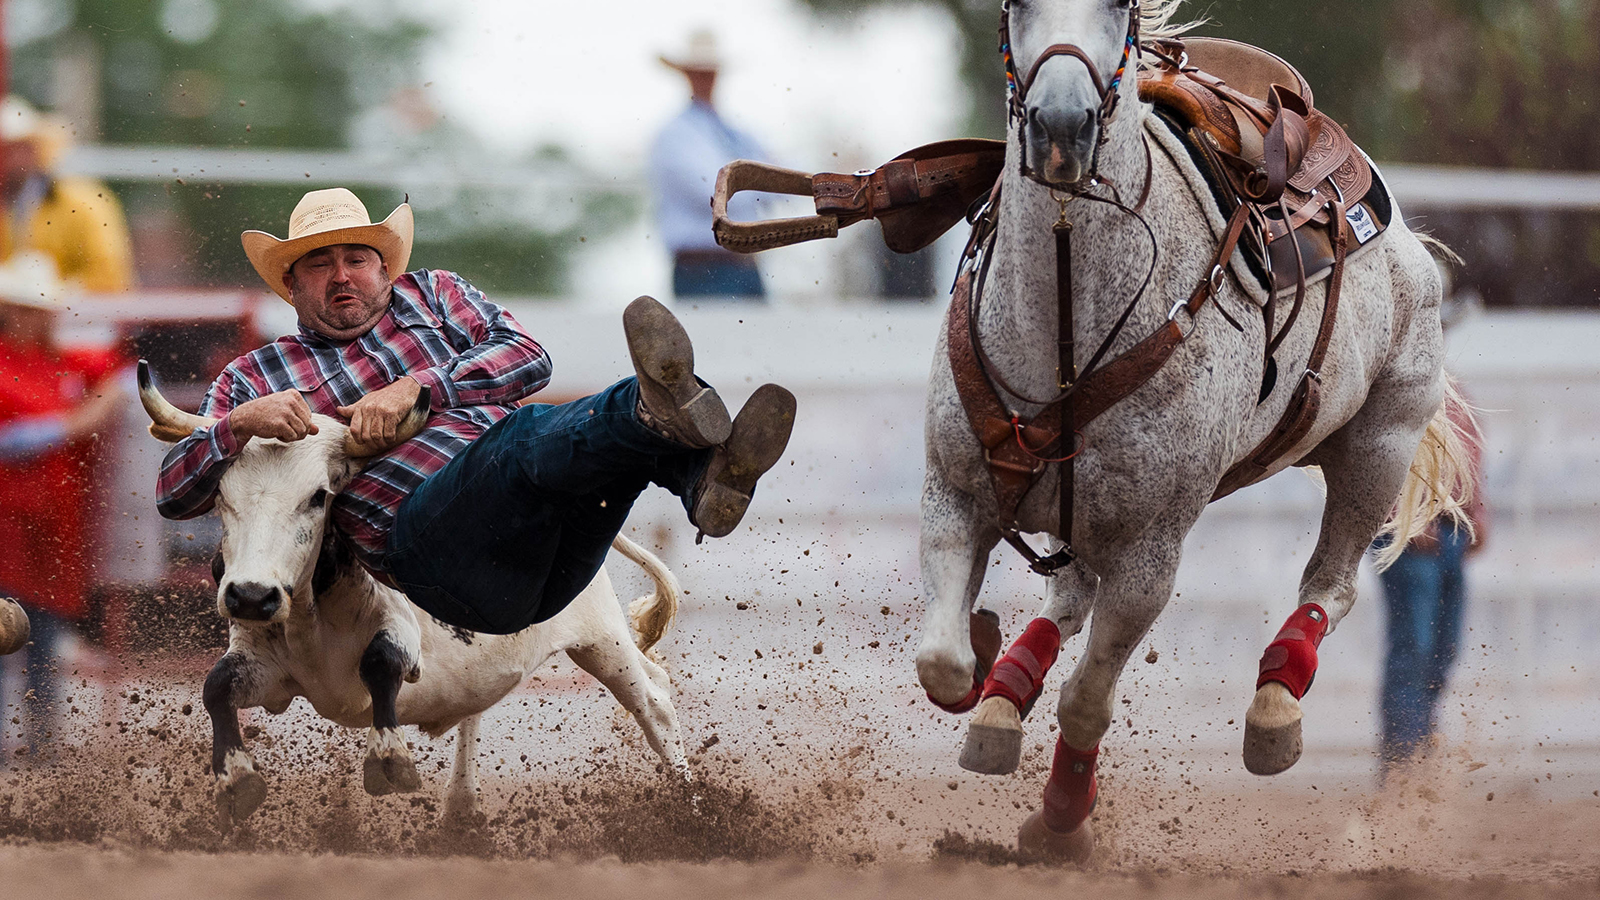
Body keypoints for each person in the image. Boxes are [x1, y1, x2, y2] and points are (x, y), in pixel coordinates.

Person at [156, 188, 795, 635]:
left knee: (599, 459)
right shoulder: (255, 377)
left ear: (385, 269)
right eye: (319, 264)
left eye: (356, 258)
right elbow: (171, 491)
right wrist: (237, 426)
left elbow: (528, 357)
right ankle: (659, 415)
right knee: (534, 437)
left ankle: (702, 482)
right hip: (434, 550)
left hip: (543, 556)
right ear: (291, 285)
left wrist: (420, 388)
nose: (341, 275)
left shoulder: (435, 293)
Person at [0, 252, 126, 760]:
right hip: (9, 522)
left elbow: (116, 376)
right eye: (31, 308)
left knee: (45, 642)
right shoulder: (33, 365)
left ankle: (43, 745)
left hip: (54, 525)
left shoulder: (63, 363)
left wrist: (91, 410)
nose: (41, 317)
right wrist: (72, 426)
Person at [1375, 388, 1486, 778]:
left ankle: (1416, 748)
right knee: (1416, 646)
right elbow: (1374, 453)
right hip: (1409, 531)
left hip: (1450, 528)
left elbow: (1470, 451)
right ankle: (1403, 764)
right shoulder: (1399, 388)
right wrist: (1401, 514)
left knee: (1442, 648)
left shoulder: (1452, 392)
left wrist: (1476, 514)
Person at [649, 30, 769, 301]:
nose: (706, 79)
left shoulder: (736, 132)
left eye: (710, 72)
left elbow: (775, 173)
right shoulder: (674, 135)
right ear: (687, 76)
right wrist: (763, 187)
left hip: (744, 264)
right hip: (702, 268)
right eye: (700, 72)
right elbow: (714, 194)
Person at [0, 96, 135, 293]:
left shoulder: (85, 202)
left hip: (77, 319)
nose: (7, 156)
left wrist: (54, 292)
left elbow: (110, 275)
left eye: (12, 147)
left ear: (34, 148)